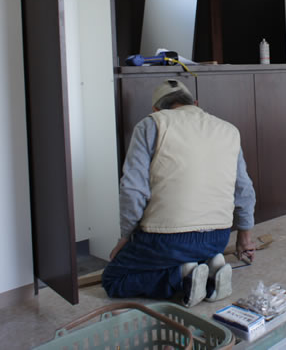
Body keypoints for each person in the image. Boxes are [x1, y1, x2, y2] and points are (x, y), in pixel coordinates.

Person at [102, 79, 257, 307]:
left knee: (113, 279)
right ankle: (210, 269)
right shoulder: (229, 130)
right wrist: (244, 238)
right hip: (218, 238)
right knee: (188, 254)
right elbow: (244, 189)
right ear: (195, 103)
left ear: (156, 109)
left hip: (168, 239)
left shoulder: (151, 125)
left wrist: (125, 236)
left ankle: (182, 275)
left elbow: (133, 189)